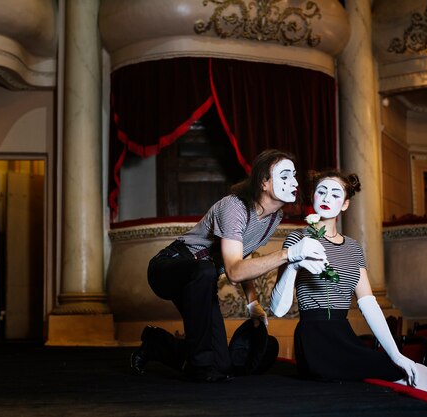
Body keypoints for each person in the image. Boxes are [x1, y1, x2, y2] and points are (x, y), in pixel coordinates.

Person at [131, 149, 327, 382]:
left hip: (202, 282)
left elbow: (243, 257)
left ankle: (156, 343)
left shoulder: (274, 218)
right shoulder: (234, 207)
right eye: (284, 176)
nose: (294, 182)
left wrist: (253, 302)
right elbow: (234, 271)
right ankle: (200, 366)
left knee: (222, 364)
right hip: (169, 268)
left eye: (294, 175)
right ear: (264, 182)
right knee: (204, 273)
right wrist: (289, 254)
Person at [270, 170, 427, 393]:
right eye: (322, 191)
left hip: (344, 335)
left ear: (345, 204)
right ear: (314, 197)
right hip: (313, 338)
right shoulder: (298, 239)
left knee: (413, 374)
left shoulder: (354, 248)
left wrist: (396, 354)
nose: (327, 198)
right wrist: (293, 264)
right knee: (401, 378)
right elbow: (278, 310)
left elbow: (368, 304)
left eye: (336, 194)